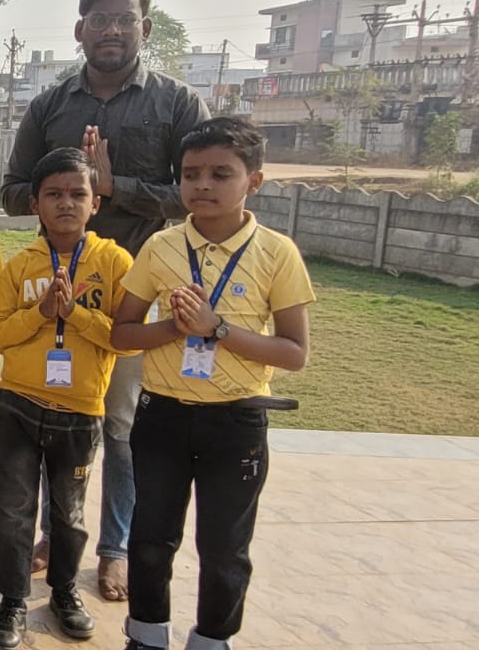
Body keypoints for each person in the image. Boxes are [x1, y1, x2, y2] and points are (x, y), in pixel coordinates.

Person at [0, 0, 210, 601]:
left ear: (145, 27)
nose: (112, 31)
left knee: (118, 426)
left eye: (124, 19)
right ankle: (54, 534)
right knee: (50, 412)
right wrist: (62, 189)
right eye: (100, 20)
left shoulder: (176, 103)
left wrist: (117, 188)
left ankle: (113, 547)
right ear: (80, 30)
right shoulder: (50, 106)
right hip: (56, 286)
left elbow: (198, 193)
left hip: (134, 291)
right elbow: (11, 191)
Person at [112, 117, 313, 650]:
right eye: (190, 174)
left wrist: (216, 328)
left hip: (236, 420)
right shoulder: (160, 246)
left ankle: (212, 639)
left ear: (254, 181)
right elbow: (121, 332)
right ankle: (146, 635)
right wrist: (173, 328)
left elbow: (294, 353)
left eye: (220, 174)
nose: (202, 185)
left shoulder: (276, 252)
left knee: (225, 547)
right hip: (162, 416)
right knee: (151, 538)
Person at [0, 148, 137, 649]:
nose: (66, 203)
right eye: (54, 194)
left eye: (77, 194)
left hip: (80, 410)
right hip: (20, 406)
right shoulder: (20, 266)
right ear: (35, 204)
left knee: (69, 514)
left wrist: (77, 314)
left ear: (95, 203)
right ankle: (11, 601)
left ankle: (65, 591)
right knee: (14, 509)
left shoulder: (114, 263)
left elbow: (127, 339)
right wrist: (42, 312)